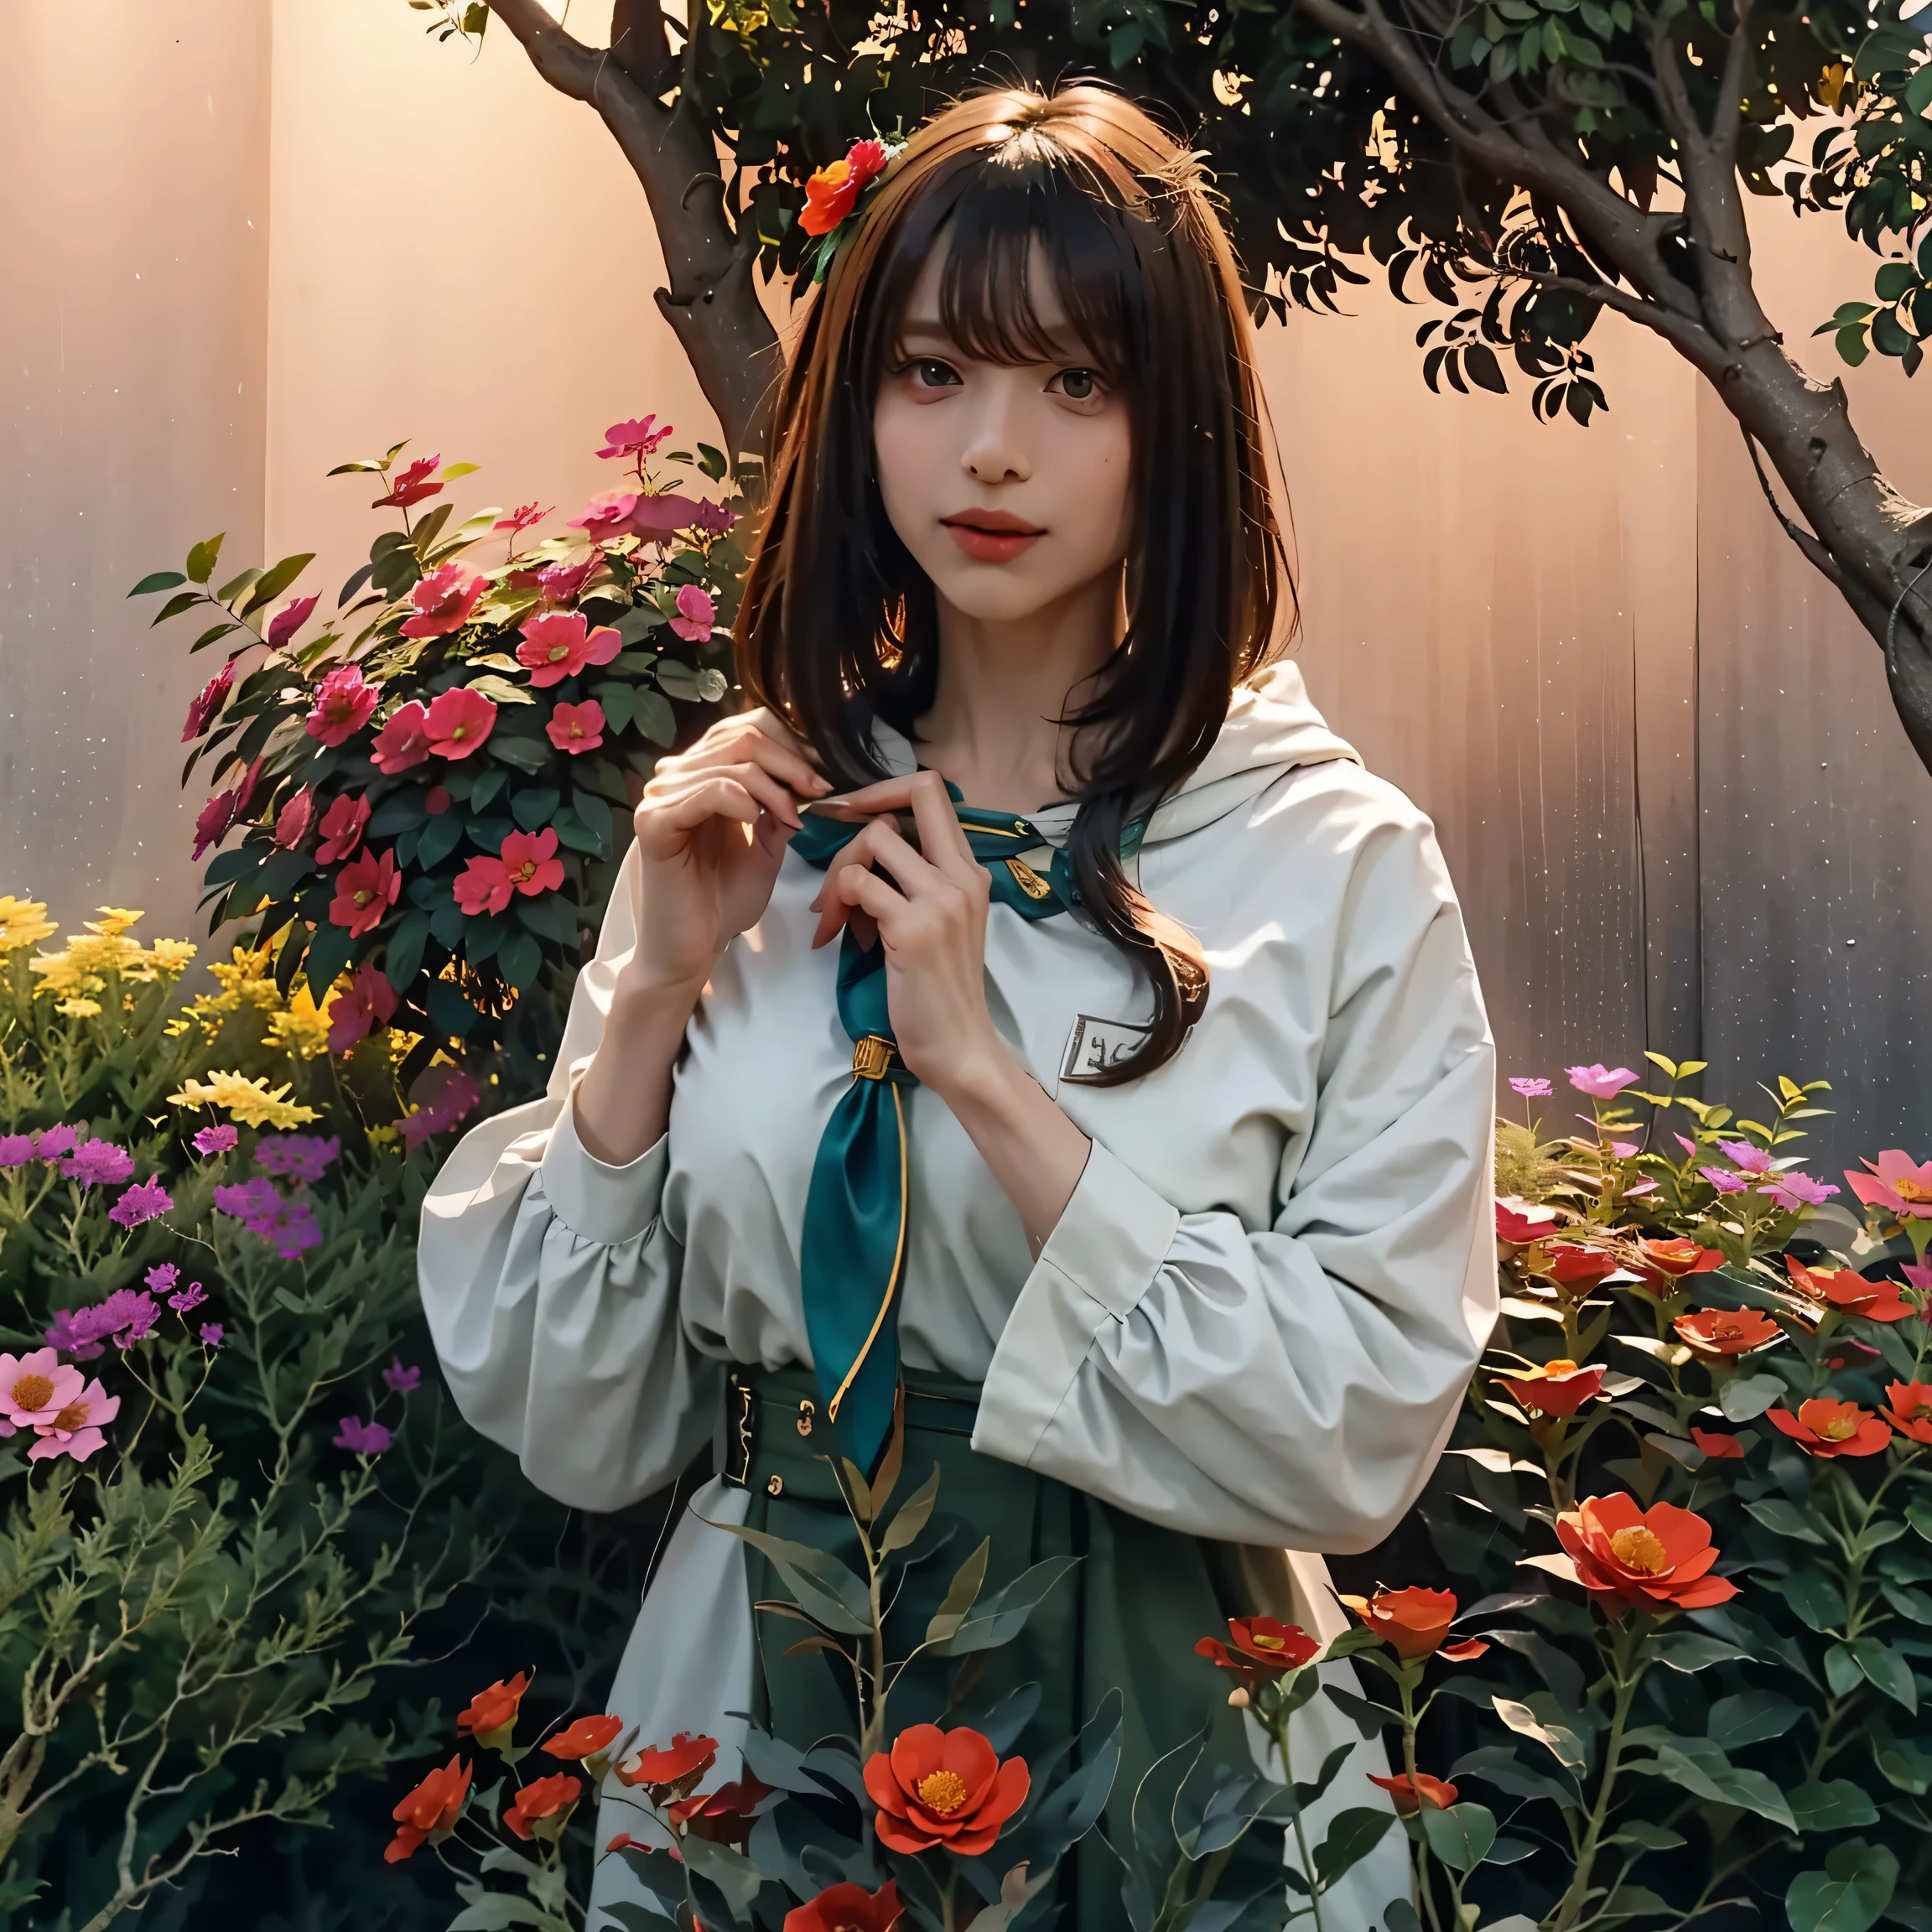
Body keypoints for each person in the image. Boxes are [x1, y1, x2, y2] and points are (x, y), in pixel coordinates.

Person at [419, 82, 1497, 1929]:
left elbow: (1365, 1424)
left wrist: (986, 1075)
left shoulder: (1330, 862)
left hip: (1185, 1715)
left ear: (1183, 428)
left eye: (1077, 384)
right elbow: (587, 1428)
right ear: (859, 410)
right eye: (934, 374)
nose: (993, 450)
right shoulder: (743, 831)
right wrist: (660, 992)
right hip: (756, 1714)